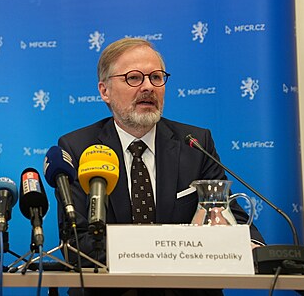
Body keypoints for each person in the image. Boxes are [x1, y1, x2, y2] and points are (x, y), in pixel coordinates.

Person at [56, 37, 264, 296]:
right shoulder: (79, 148)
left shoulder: (195, 144)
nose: (148, 87)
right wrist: (160, 250)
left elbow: (231, 218)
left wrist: (253, 247)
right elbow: (76, 244)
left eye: (156, 77)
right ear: (104, 91)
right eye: (134, 78)